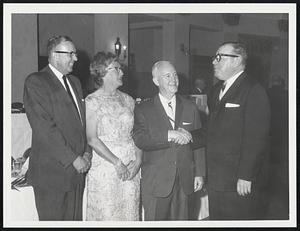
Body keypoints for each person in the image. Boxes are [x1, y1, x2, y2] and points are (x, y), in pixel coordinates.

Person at [191, 42, 271, 220]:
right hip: (216, 177)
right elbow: (210, 132)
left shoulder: (253, 89)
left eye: (220, 57)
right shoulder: (215, 91)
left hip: (238, 180)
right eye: (214, 57)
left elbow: (257, 138)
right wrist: (186, 137)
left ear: (237, 61)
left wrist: (246, 175)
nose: (214, 62)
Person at [23, 35, 91, 220]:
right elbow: (44, 128)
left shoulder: (75, 82)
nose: (75, 59)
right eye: (71, 54)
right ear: (54, 55)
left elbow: (81, 123)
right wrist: (73, 158)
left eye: (75, 54)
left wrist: (86, 153)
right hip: (52, 175)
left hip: (76, 174)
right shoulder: (36, 82)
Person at [133, 61, 206, 220]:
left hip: (184, 180)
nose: (173, 79)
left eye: (175, 75)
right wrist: (169, 135)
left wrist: (199, 173)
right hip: (157, 182)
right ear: (156, 81)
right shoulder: (143, 109)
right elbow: (140, 139)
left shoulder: (190, 107)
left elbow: (199, 143)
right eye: (167, 76)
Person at [85, 52, 142, 221]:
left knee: (130, 213)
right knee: (107, 214)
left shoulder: (129, 100)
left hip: (131, 167)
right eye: (117, 69)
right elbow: (92, 139)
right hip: (106, 168)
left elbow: (137, 134)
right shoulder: (91, 101)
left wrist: (138, 161)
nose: (122, 72)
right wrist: (117, 162)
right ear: (103, 71)